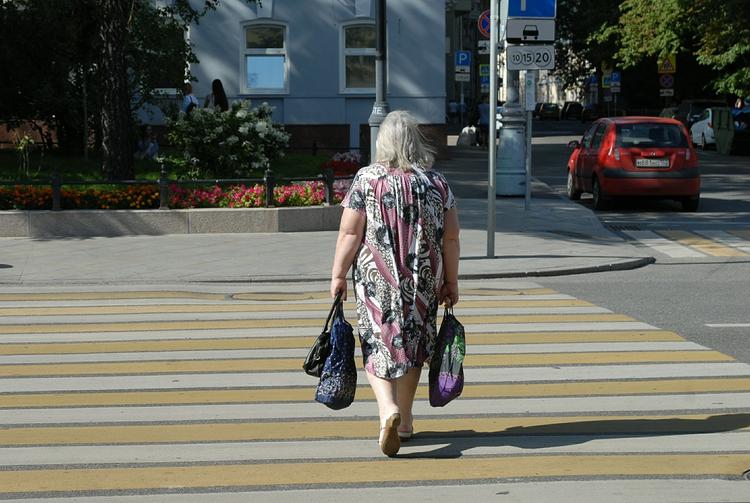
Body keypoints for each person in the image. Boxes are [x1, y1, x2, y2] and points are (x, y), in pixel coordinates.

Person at [330, 110, 461, 457]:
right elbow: (451, 238)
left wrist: (338, 275)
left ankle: (388, 409)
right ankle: (404, 423)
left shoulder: (367, 180)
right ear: (417, 142)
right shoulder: (436, 183)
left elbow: (349, 232)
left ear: (382, 142)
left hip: (377, 280)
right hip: (423, 280)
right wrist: (452, 281)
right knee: (414, 347)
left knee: (378, 345)